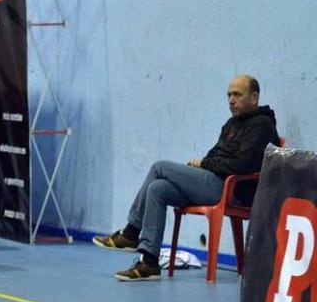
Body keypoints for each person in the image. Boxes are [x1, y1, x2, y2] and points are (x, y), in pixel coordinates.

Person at [93, 75, 280, 282]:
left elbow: (241, 165)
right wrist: (204, 164)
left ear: (254, 97)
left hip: (231, 190)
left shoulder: (262, 125)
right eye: (229, 95)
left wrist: (204, 164)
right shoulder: (231, 124)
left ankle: (130, 232)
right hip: (213, 181)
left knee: (159, 167)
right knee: (158, 188)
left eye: (237, 94)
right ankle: (149, 263)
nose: (231, 100)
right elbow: (213, 155)